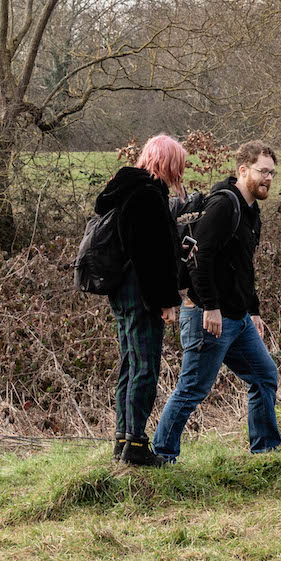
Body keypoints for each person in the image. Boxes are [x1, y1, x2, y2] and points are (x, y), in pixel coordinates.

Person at [151, 141, 281, 461]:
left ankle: (265, 451)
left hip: (237, 320)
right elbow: (198, 256)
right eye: (263, 171)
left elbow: (243, 266)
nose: (268, 178)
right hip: (207, 316)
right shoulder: (225, 205)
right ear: (243, 170)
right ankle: (162, 455)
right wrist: (210, 305)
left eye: (272, 173)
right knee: (192, 388)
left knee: (265, 375)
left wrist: (253, 311)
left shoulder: (251, 212)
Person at [92, 135, 191, 467]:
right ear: (166, 163)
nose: (181, 170)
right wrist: (166, 301)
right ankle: (135, 444)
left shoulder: (126, 191)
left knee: (129, 366)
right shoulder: (148, 194)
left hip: (122, 292)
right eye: (179, 163)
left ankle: (123, 441)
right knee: (145, 367)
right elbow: (151, 256)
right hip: (141, 294)